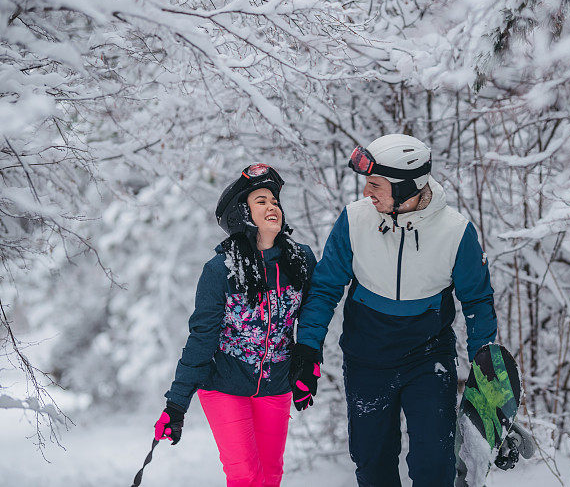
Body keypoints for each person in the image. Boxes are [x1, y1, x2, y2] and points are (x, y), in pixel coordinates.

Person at [290, 134, 498, 486]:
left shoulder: (455, 231)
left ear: (405, 188)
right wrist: (308, 348)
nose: (367, 192)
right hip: (366, 358)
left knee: (434, 465)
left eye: (375, 185)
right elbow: (325, 287)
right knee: (373, 465)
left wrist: (485, 370)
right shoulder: (355, 220)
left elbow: (477, 301)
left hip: (428, 358)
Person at [155, 163, 317, 487]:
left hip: (276, 385)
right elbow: (201, 340)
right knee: (245, 476)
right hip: (225, 386)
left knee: (270, 477)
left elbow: (313, 320)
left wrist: (306, 365)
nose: (272, 206)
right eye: (261, 201)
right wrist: (176, 404)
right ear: (242, 214)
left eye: (274, 200)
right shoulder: (220, 271)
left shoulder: (300, 261)